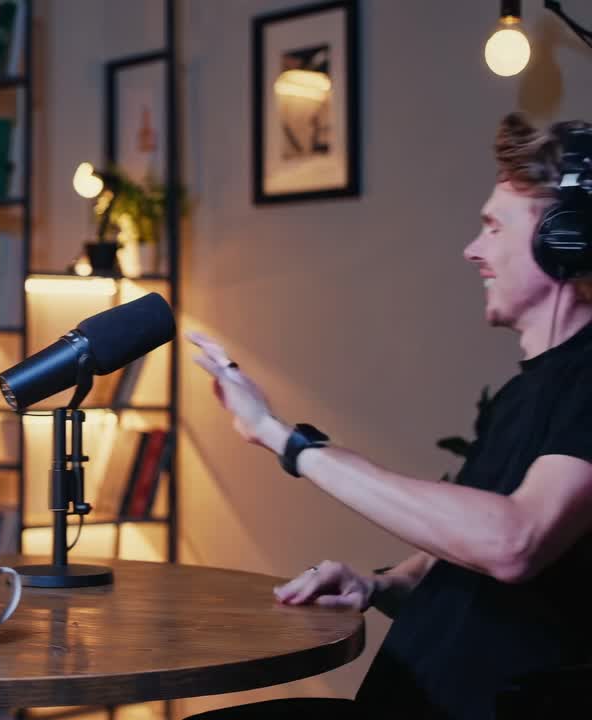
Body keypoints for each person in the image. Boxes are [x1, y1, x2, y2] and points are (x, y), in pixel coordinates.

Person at [186, 112, 592, 720]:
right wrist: (383, 585)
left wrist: (282, 438)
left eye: (492, 227)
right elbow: (466, 540)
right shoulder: (523, 395)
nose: (472, 250)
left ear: (563, 238)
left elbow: (513, 541)